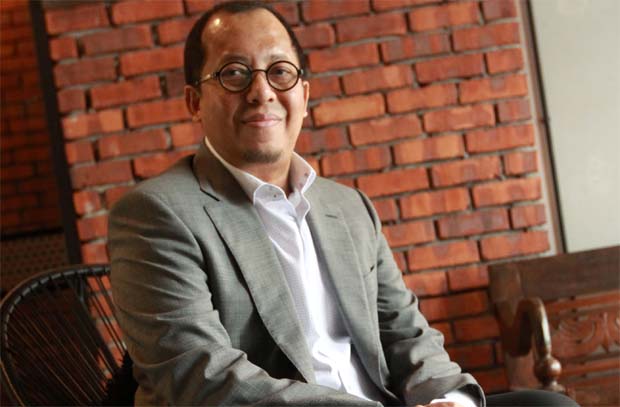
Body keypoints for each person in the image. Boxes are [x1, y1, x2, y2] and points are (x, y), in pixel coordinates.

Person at [108, 2, 578, 406]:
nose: (261, 91)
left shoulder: (348, 207)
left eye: (280, 72)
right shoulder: (156, 213)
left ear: (304, 94)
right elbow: (199, 376)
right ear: (194, 101)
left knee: (549, 405)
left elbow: (406, 335)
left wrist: (449, 400)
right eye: (233, 73)